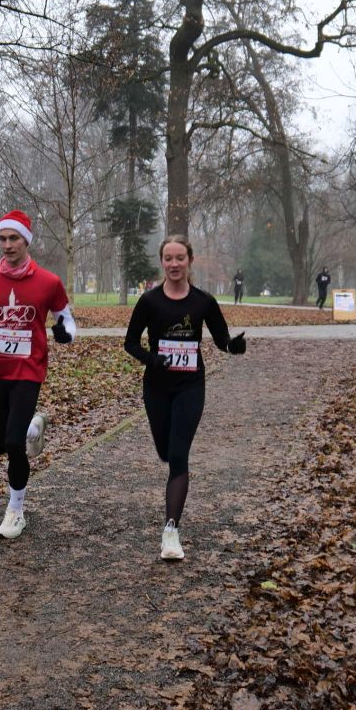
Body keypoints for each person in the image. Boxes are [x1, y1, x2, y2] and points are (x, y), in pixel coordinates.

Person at [124, 235, 246, 560]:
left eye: (180, 258)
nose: (174, 264)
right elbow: (130, 343)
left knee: (178, 456)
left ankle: (171, 532)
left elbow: (221, 339)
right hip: (157, 388)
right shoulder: (149, 301)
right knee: (165, 452)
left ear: (189, 260)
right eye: (169, 258)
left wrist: (234, 346)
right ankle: (171, 518)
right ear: (162, 262)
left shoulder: (203, 302)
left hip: (191, 385)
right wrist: (153, 359)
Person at [0, 209, 75, 539]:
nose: (7, 245)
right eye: (3, 239)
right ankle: (33, 425)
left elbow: (67, 318)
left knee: (12, 442)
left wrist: (65, 333)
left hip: (29, 369)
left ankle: (15, 511)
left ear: (26, 241)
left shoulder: (49, 282)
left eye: (14, 239)